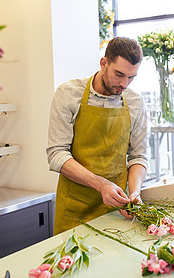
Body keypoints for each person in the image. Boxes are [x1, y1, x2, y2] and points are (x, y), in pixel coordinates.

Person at [46, 37, 148, 235]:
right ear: (104, 63)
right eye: (119, 74)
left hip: (117, 208)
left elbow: (138, 156)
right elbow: (57, 154)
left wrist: (134, 192)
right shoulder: (68, 94)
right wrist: (101, 184)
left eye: (131, 77)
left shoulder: (135, 102)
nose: (124, 84)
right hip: (75, 209)